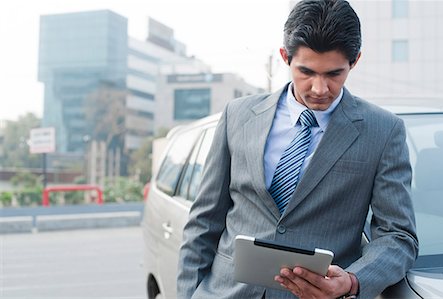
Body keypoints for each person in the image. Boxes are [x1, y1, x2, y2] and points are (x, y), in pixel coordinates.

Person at [177, 0, 418, 298]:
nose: (319, 88)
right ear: (285, 57)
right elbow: (204, 222)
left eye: (334, 74)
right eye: (306, 72)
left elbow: (398, 235)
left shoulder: (383, 130)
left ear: (354, 61)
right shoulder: (237, 116)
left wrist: (353, 281)